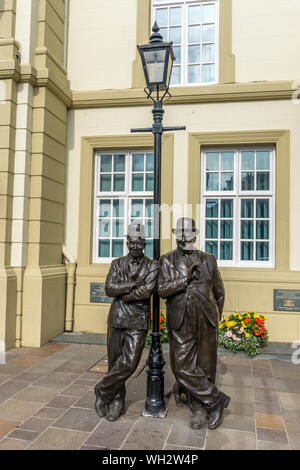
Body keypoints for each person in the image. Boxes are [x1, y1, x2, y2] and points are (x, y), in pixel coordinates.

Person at [157, 217, 230, 430]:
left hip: (206, 319)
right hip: (180, 320)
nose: (181, 236)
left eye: (186, 232)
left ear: (195, 234)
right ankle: (217, 401)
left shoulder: (209, 259)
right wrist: (185, 280)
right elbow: (162, 290)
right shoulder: (167, 260)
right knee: (180, 366)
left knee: (206, 366)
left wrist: (217, 317)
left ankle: (200, 409)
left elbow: (219, 292)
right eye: (177, 232)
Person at [94, 223, 158, 422]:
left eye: (139, 243)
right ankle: (117, 401)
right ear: (127, 242)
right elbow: (109, 289)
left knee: (129, 363)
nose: (135, 246)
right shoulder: (117, 263)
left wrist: (125, 295)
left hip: (138, 321)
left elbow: (146, 291)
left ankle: (101, 390)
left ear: (144, 243)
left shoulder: (153, 266)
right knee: (114, 364)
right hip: (117, 319)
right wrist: (131, 285)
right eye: (132, 242)